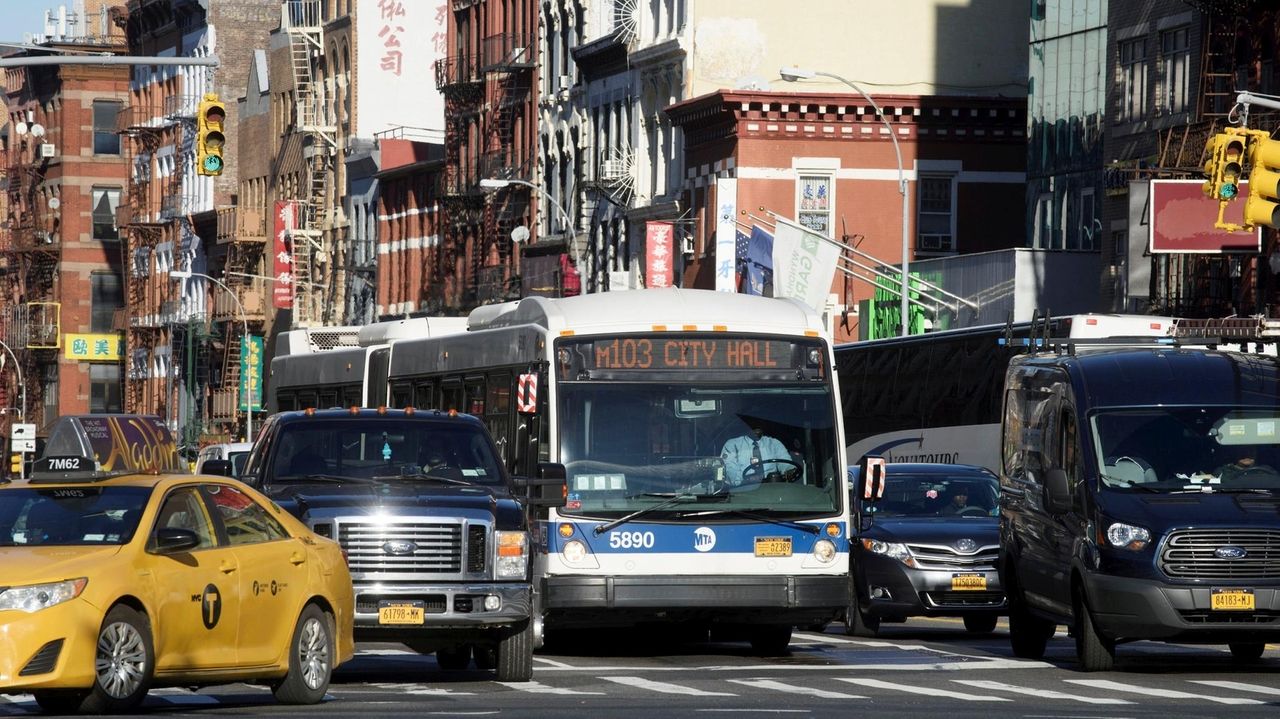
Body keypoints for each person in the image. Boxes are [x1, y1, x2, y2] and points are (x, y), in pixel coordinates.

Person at [720, 421, 791, 485]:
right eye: (752, 422)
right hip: (743, 490)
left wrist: (789, 471)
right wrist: (747, 479)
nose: (757, 426)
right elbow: (730, 472)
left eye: (759, 421)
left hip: (772, 488)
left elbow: (786, 463)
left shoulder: (774, 443)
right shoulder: (732, 445)